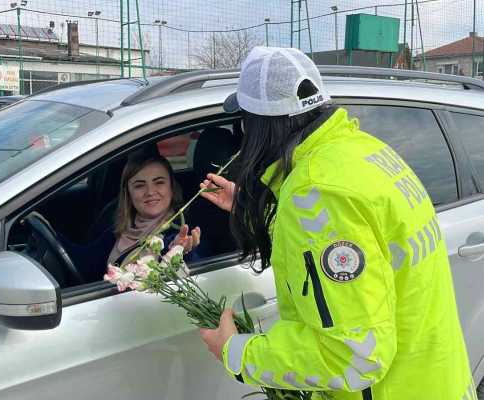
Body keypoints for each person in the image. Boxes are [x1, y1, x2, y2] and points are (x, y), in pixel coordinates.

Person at [198, 47, 474, 399]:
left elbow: (355, 356)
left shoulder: (317, 192)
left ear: (257, 124)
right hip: (433, 381)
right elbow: (355, 244)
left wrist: (237, 353)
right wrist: (253, 209)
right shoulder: (359, 152)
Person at [63, 148, 202, 283]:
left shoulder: (181, 230)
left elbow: (193, 273)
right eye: (139, 185)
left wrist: (179, 251)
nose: (150, 192)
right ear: (128, 193)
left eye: (159, 182)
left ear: (172, 187)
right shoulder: (123, 226)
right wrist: (48, 231)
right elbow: (86, 262)